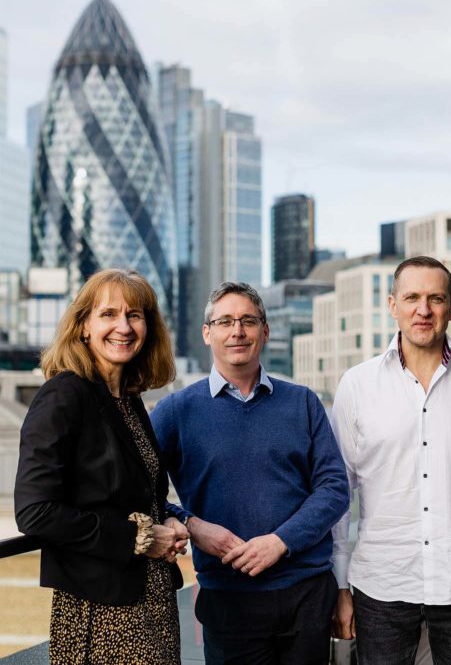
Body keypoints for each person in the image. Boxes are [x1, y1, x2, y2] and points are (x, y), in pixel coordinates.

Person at [330, 256, 451, 665]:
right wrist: (340, 585)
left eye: (436, 298)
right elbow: (338, 495)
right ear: (392, 305)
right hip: (380, 585)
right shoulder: (357, 385)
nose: (424, 309)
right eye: (412, 297)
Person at [151, 281, 349, 665]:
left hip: (305, 593)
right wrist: (191, 525)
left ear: (266, 331)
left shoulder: (303, 402)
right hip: (228, 598)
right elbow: (135, 490)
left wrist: (280, 541)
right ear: (207, 333)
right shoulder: (176, 411)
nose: (237, 331)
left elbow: (334, 488)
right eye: (224, 321)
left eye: (248, 321)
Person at [14, 268, 189, 664]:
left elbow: (137, 495)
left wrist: (172, 519)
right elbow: (34, 512)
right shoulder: (63, 395)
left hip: (152, 603)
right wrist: (140, 538)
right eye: (108, 314)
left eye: (135, 315)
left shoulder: (128, 399)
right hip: (100, 611)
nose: (123, 327)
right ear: (83, 327)